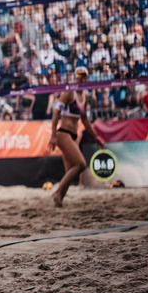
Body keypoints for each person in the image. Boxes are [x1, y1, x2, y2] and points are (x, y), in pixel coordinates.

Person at [48, 66, 105, 208]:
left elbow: (84, 119)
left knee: (70, 171)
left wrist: (96, 137)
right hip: (63, 133)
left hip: (72, 135)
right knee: (81, 164)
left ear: (87, 78)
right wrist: (53, 135)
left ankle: (58, 201)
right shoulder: (69, 92)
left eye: (83, 76)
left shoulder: (85, 95)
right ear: (75, 77)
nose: (80, 78)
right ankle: (57, 193)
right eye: (78, 75)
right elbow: (56, 113)